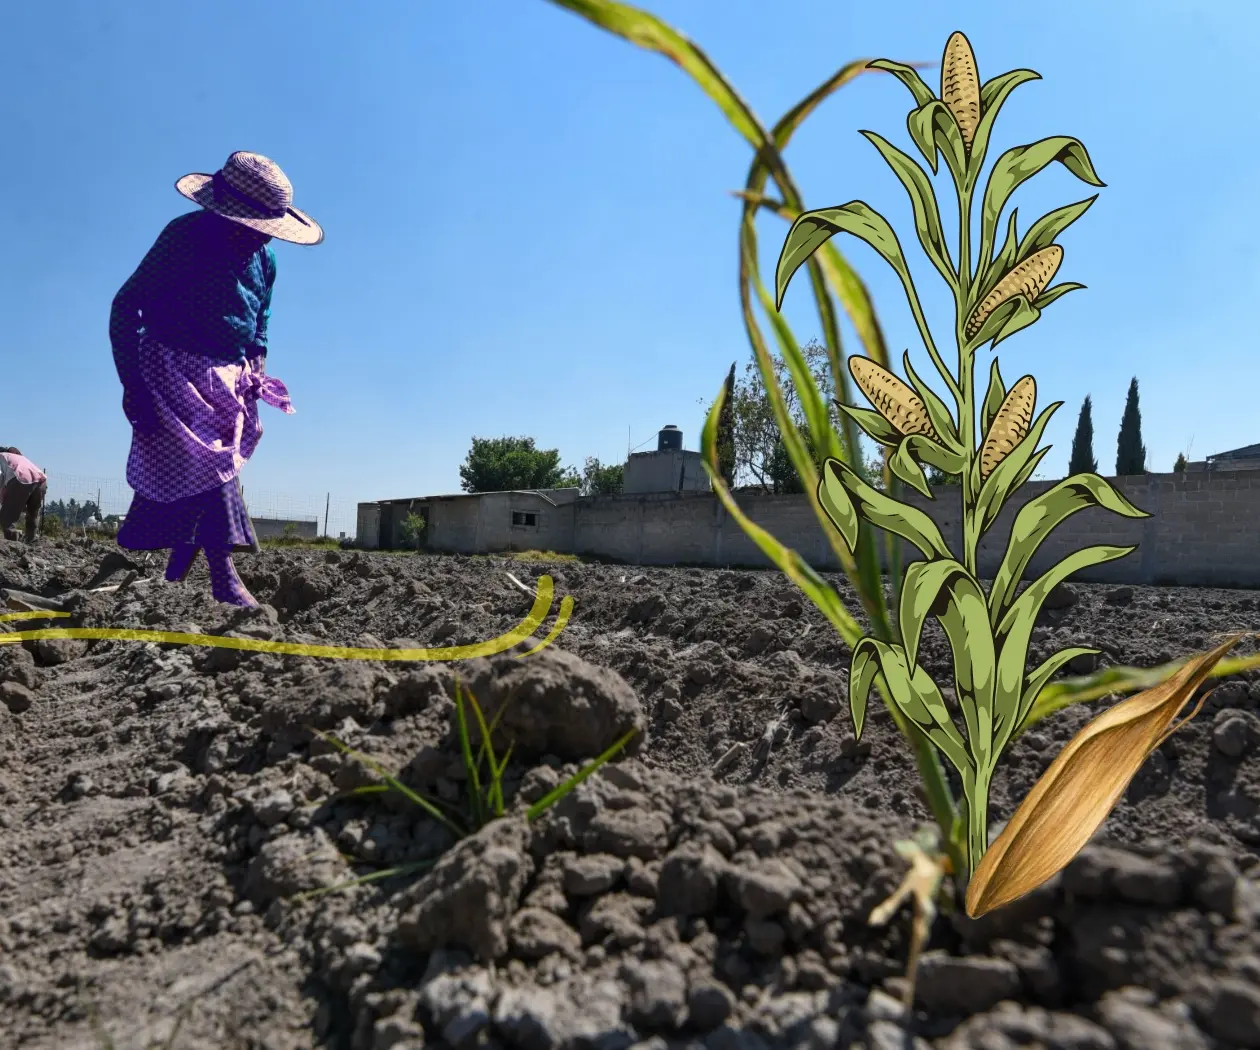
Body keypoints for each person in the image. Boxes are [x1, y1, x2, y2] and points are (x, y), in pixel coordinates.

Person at [109, 152, 323, 606]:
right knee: (210, 468)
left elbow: (259, 322)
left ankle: (174, 579)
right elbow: (126, 306)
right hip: (171, 368)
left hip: (228, 378)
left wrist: (256, 363)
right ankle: (224, 579)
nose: (257, 237)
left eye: (265, 229)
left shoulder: (265, 262)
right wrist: (133, 386)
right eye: (249, 226)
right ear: (223, 212)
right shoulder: (184, 236)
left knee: (208, 471)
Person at [0, 447, 47, 542]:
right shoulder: (19, 457)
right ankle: (31, 540)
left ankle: (12, 544)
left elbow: (1, 478)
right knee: (33, 513)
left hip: (21, 479)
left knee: (7, 516)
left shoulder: (2, 457)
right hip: (41, 481)